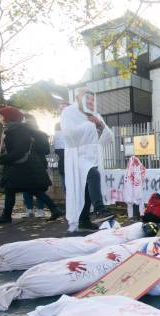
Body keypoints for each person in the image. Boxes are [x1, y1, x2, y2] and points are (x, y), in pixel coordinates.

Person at [0, 106, 63, 224]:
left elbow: (19, 150)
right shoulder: (14, 128)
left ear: (7, 117)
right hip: (23, 167)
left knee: (16, 189)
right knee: (27, 189)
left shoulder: (16, 130)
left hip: (21, 167)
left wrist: (4, 159)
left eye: (1, 115)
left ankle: (6, 216)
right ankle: (54, 209)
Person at [60, 88, 114, 232]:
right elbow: (68, 135)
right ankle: (100, 209)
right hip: (77, 155)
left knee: (85, 189)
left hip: (92, 155)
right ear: (79, 98)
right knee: (93, 175)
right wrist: (89, 126)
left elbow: (109, 137)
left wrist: (99, 124)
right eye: (87, 99)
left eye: (92, 99)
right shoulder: (69, 112)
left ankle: (83, 220)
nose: (90, 102)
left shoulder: (95, 115)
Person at [22, 113, 45, 217]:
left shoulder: (41, 134)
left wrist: (34, 143)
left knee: (39, 187)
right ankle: (29, 209)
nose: (26, 122)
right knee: (26, 188)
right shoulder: (20, 135)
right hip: (25, 164)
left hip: (38, 164)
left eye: (28, 120)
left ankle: (40, 209)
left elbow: (46, 150)